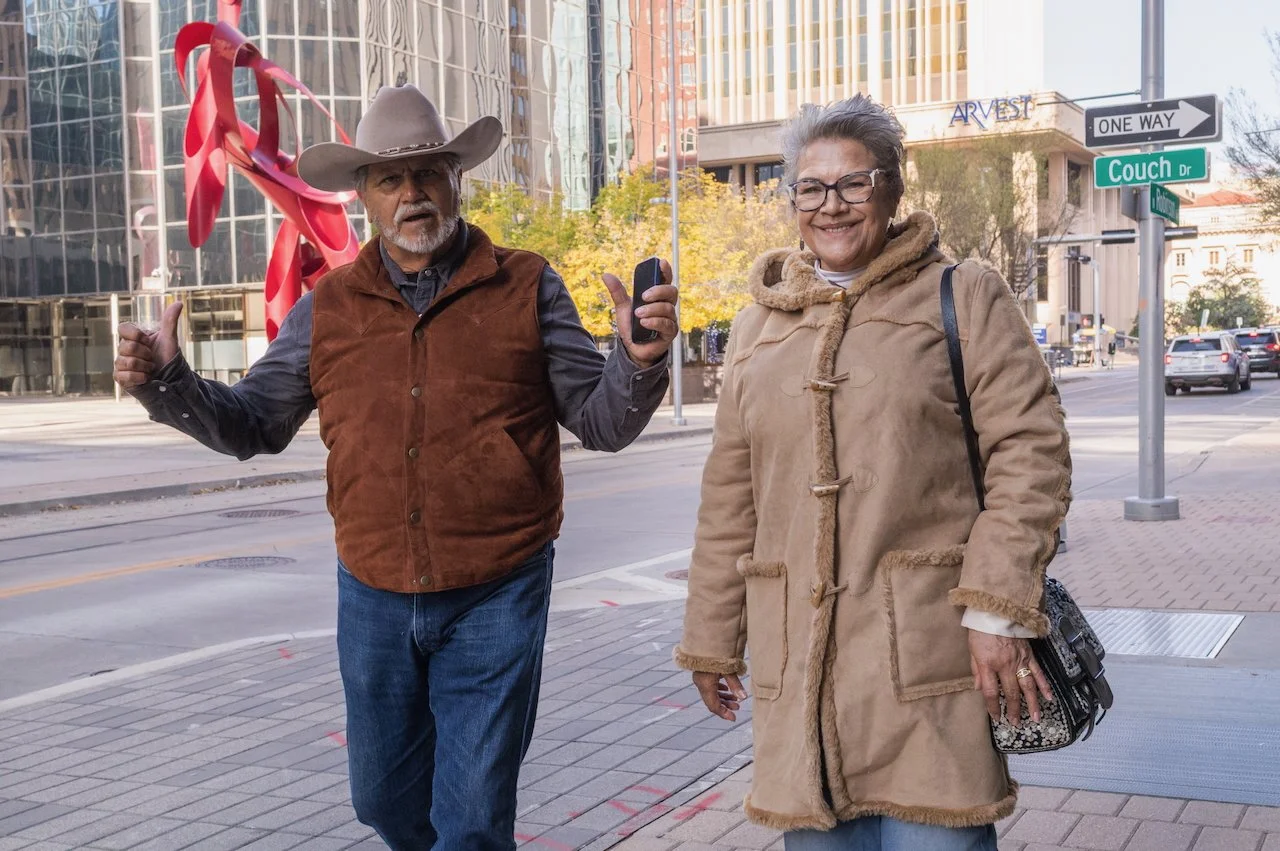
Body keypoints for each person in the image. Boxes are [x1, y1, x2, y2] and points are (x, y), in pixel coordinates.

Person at [113, 84, 680, 850]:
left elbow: (602, 421)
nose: (411, 194)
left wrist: (638, 361)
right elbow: (256, 424)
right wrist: (167, 383)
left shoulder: (527, 283)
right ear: (364, 197)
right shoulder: (331, 306)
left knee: (474, 820)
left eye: (427, 173)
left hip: (497, 588)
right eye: (390, 179)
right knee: (381, 798)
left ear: (455, 180)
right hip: (373, 592)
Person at [674, 95, 1071, 850]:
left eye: (855, 183)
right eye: (812, 188)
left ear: (891, 189)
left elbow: (1031, 454)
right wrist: (711, 636)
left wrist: (995, 608)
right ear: (792, 199)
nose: (833, 205)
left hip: (929, 659)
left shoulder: (963, 294)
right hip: (801, 671)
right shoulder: (760, 323)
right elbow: (730, 495)